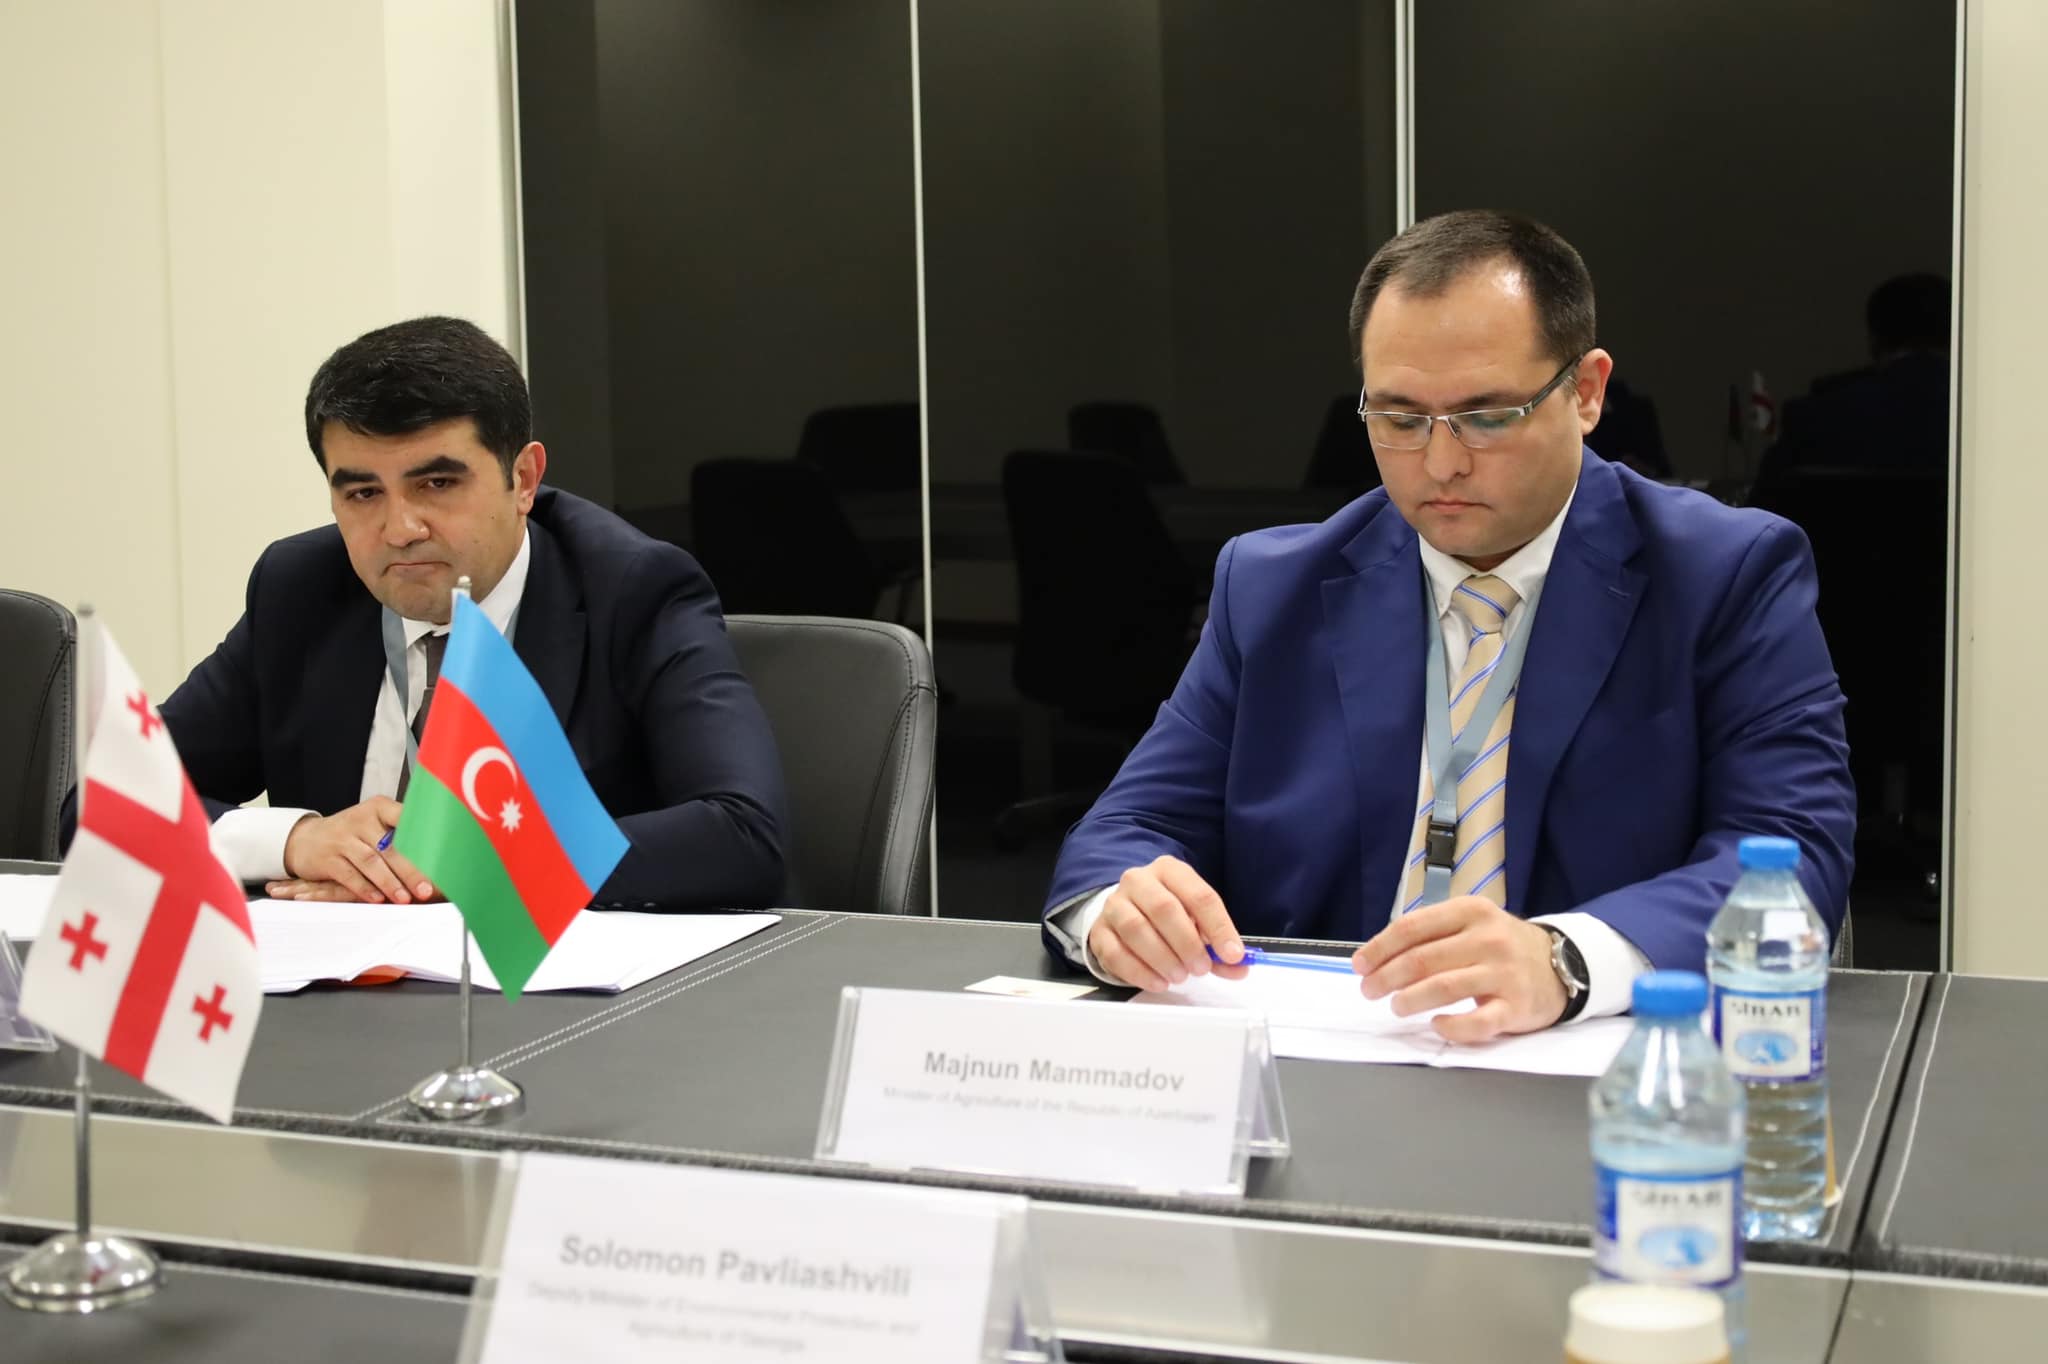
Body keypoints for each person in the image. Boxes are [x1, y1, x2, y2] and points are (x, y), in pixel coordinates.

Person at [1042, 211, 1853, 1040]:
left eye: (1487, 415)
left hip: (1592, 1061)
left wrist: (1568, 960)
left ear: (1586, 392)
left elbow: (1793, 853)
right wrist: (1119, 912)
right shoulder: (1273, 587)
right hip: (1322, 1047)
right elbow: (1127, 830)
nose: (1441, 464)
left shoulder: (1724, 575)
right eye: (1400, 420)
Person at [158, 316, 788, 910]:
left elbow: (742, 834)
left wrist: (470, 861)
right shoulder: (300, 589)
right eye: (363, 493)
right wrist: (292, 840)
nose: (400, 530)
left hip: (555, 979)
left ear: (524, 479)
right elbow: (116, 796)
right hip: (342, 975)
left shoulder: (633, 589)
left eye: (437, 484)